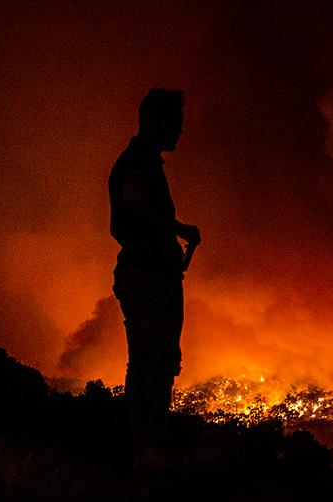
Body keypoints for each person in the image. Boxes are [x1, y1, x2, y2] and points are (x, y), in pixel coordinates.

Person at [109, 88, 200, 470]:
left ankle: (142, 450)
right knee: (157, 362)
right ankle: (151, 450)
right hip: (149, 276)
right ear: (153, 120)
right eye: (173, 122)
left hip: (140, 272)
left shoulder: (141, 160)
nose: (179, 131)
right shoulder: (139, 161)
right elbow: (134, 198)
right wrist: (177, 228)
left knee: (144, 362)